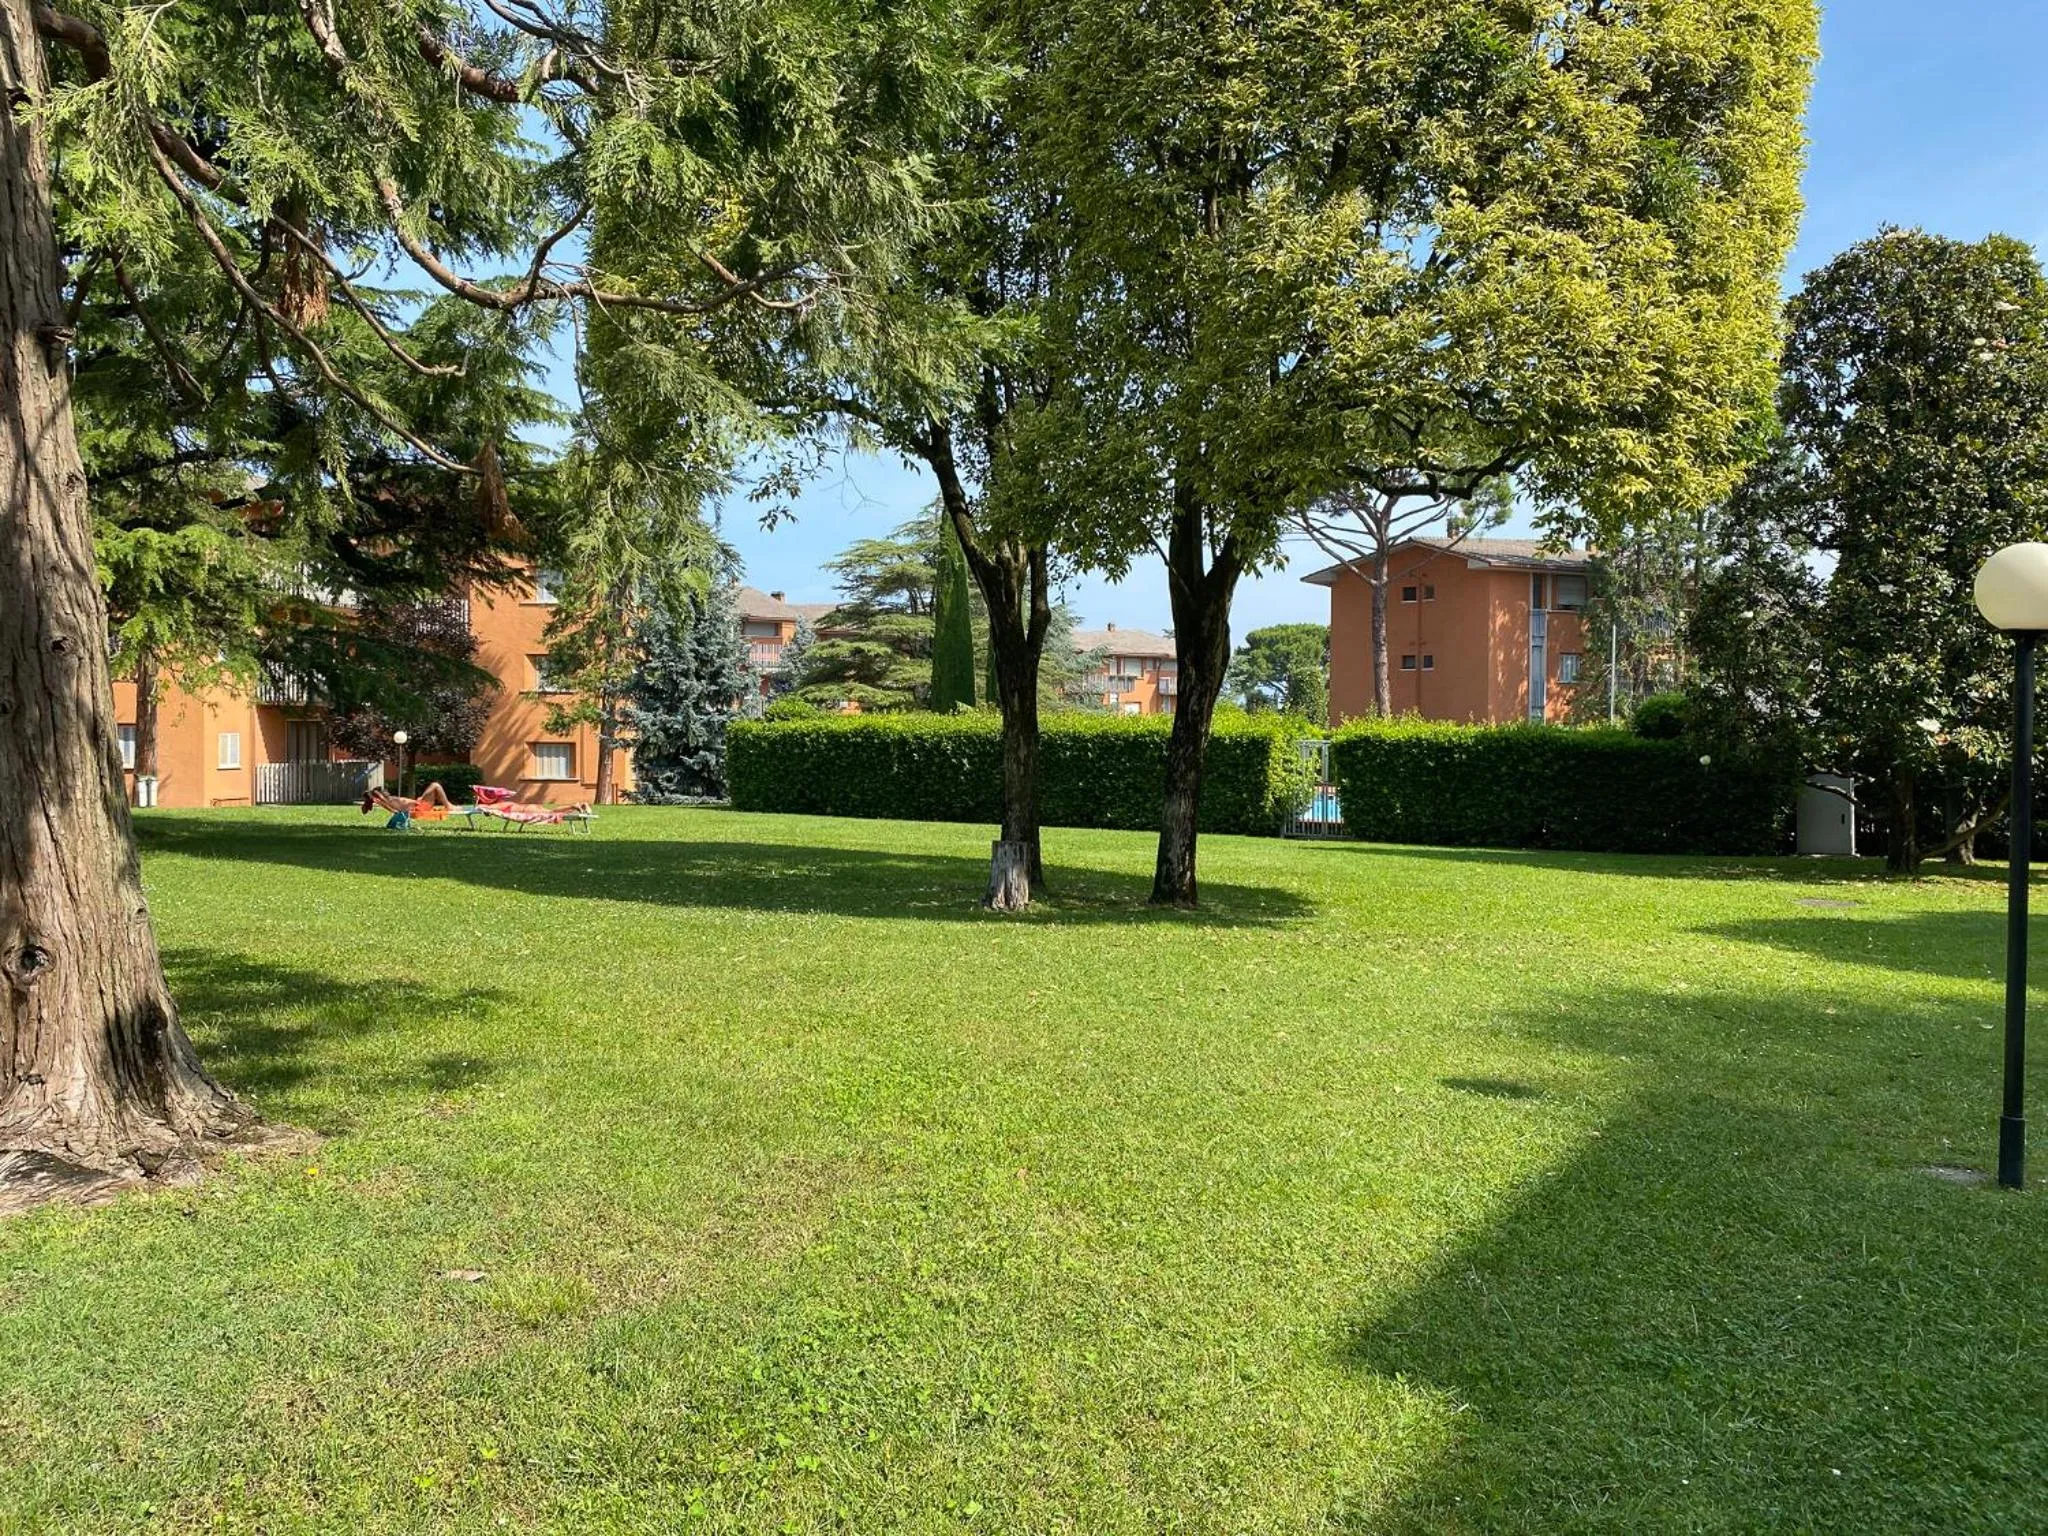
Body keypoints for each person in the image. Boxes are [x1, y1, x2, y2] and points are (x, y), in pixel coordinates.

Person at [360, 781, 459, 818]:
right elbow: (393, 810)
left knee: (435, 789)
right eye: (382, 791)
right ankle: (449, 806)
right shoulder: (386, 801)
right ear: (379, 795)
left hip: (419, 805)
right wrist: (372, 796)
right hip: (419, 808)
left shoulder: (389, 799)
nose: (385, 790)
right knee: (435, 785)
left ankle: (449, 805)